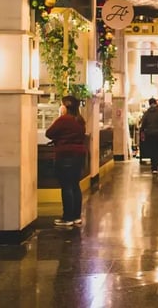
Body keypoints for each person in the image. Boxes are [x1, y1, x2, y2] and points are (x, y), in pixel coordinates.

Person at [46, 95, 88, 228]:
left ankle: (67, 217)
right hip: (79, 155)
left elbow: (49, 133)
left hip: (65, 155)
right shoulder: (80, 120)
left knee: (66, 186)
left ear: (66, 106)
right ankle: (76, 216)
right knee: (75, 185)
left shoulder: (63, 119)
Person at [139, 98, 158, 174]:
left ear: (149, 104)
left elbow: (143, 125)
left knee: (152, 150)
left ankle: (154, 168)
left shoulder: (146, 113)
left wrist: (142, 133)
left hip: (150, 134)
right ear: (155, 103)